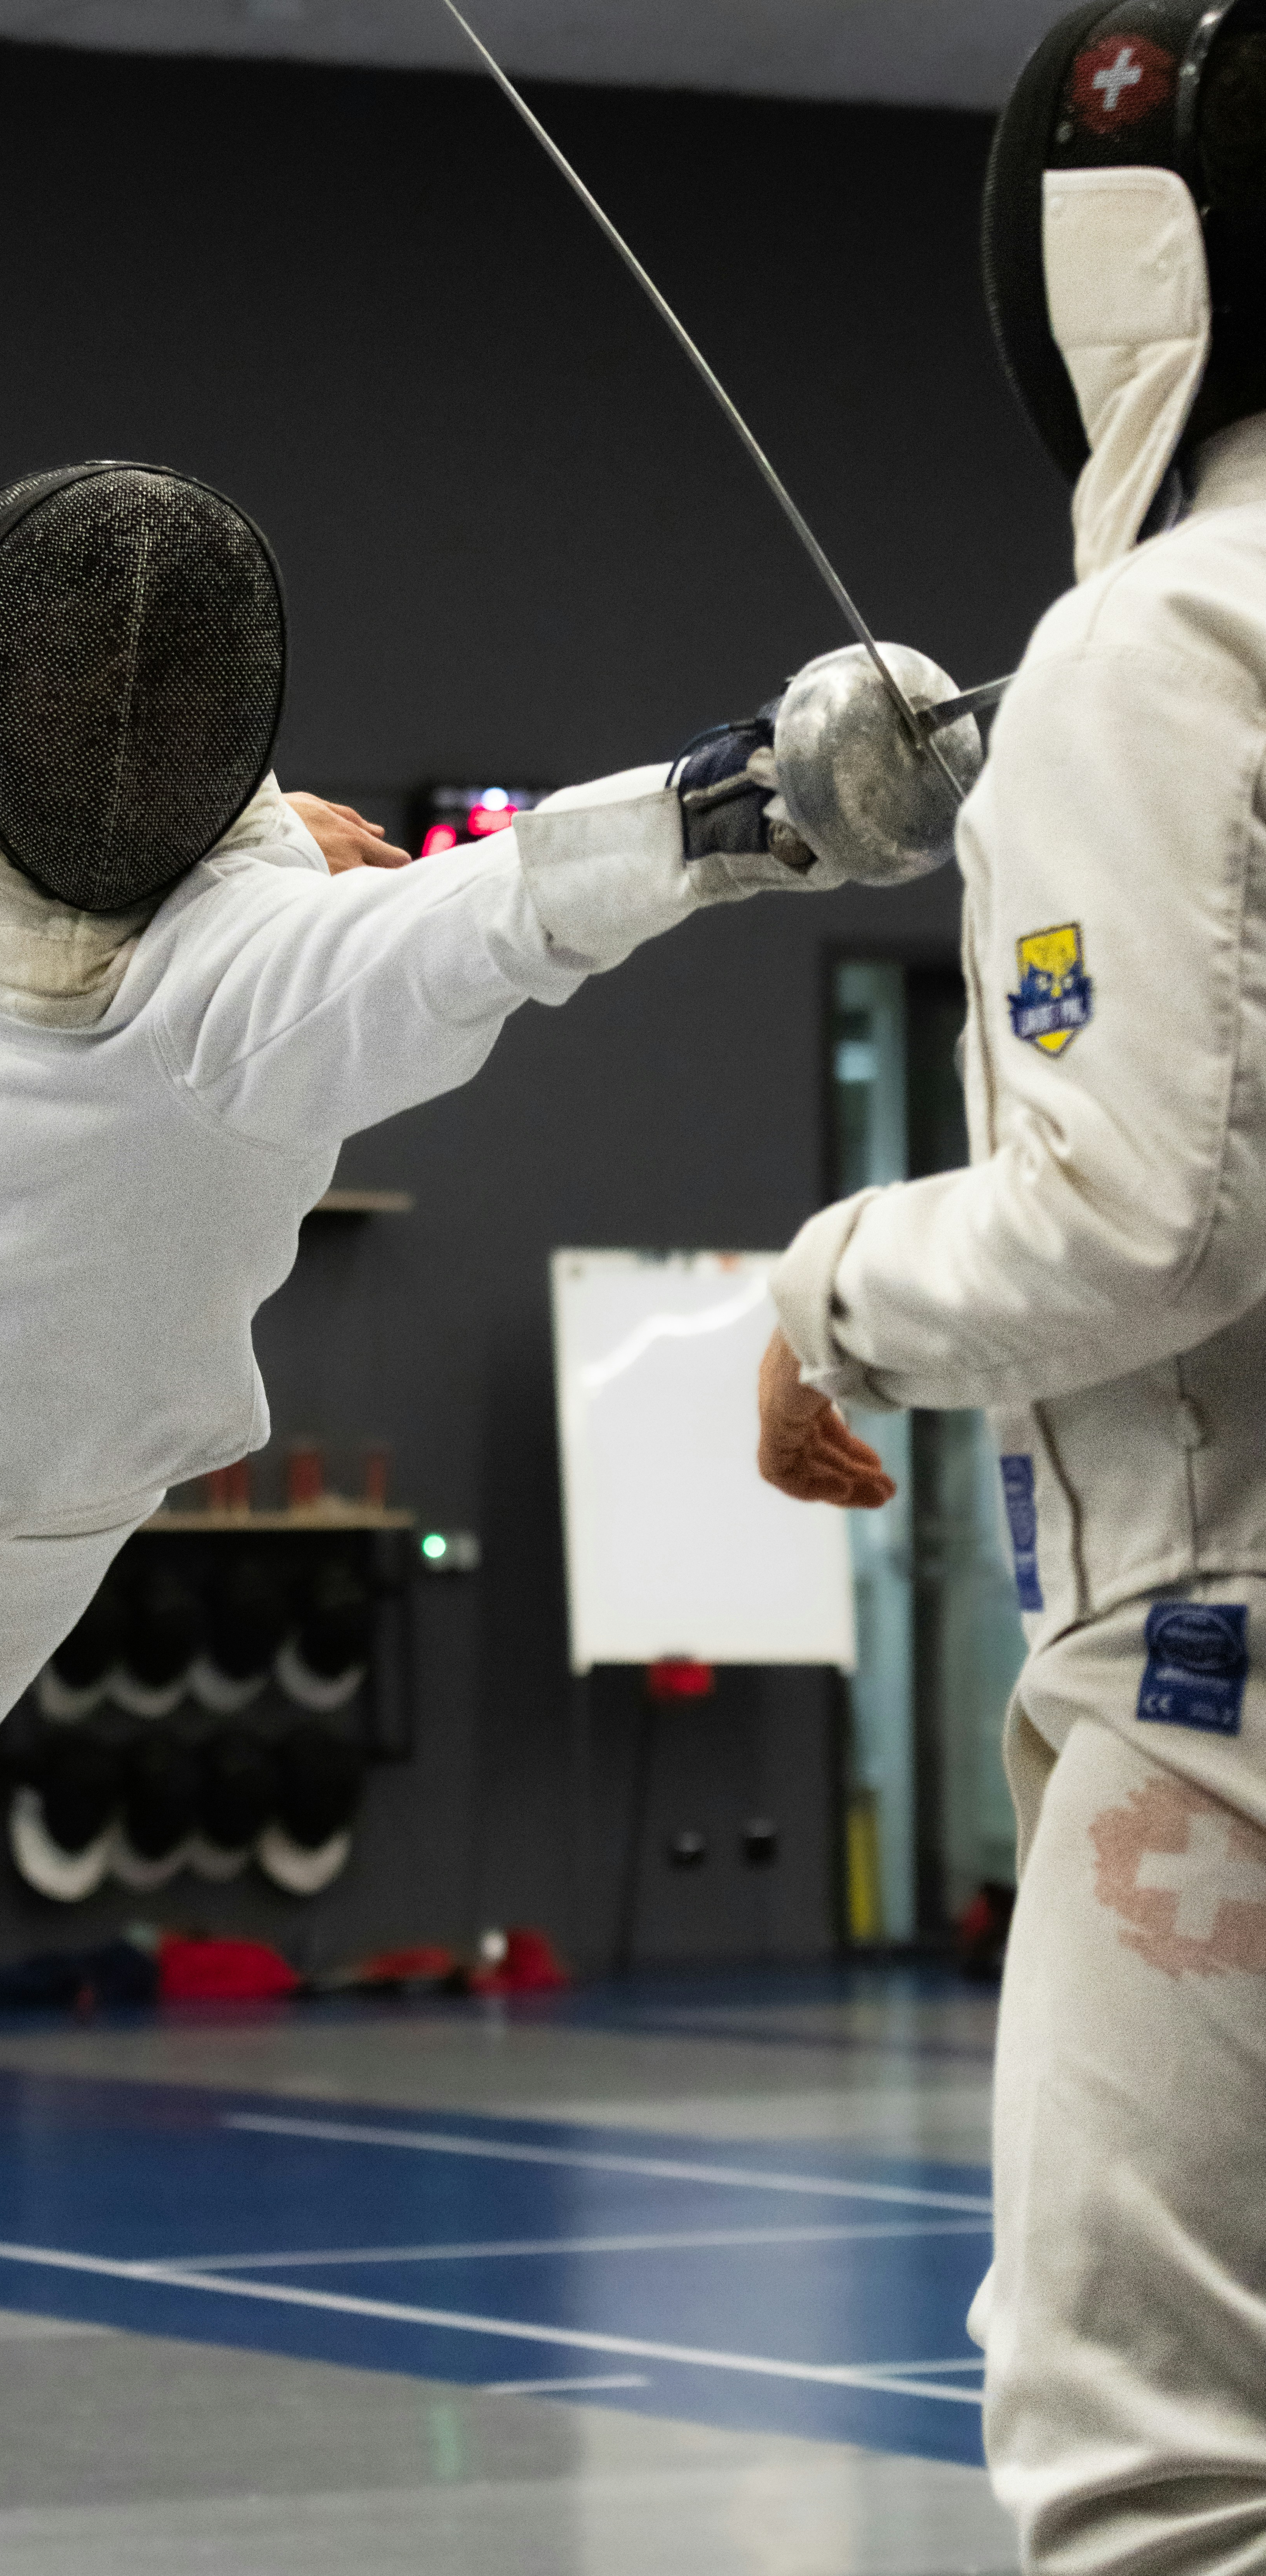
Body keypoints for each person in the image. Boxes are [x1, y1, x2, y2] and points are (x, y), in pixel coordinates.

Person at [0, 456, 883, 2401]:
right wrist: (716, 807)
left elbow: (473, 926)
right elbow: (418, 906)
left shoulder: (259, 947)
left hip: (28, 1528)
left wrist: (732, 807)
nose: (100, 749)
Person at [759, 6, 1266, 2567]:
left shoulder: (1168, 643)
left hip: (1227, 1663)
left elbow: (1133, 1221)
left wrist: (827, 1283)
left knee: (1153, 2463)